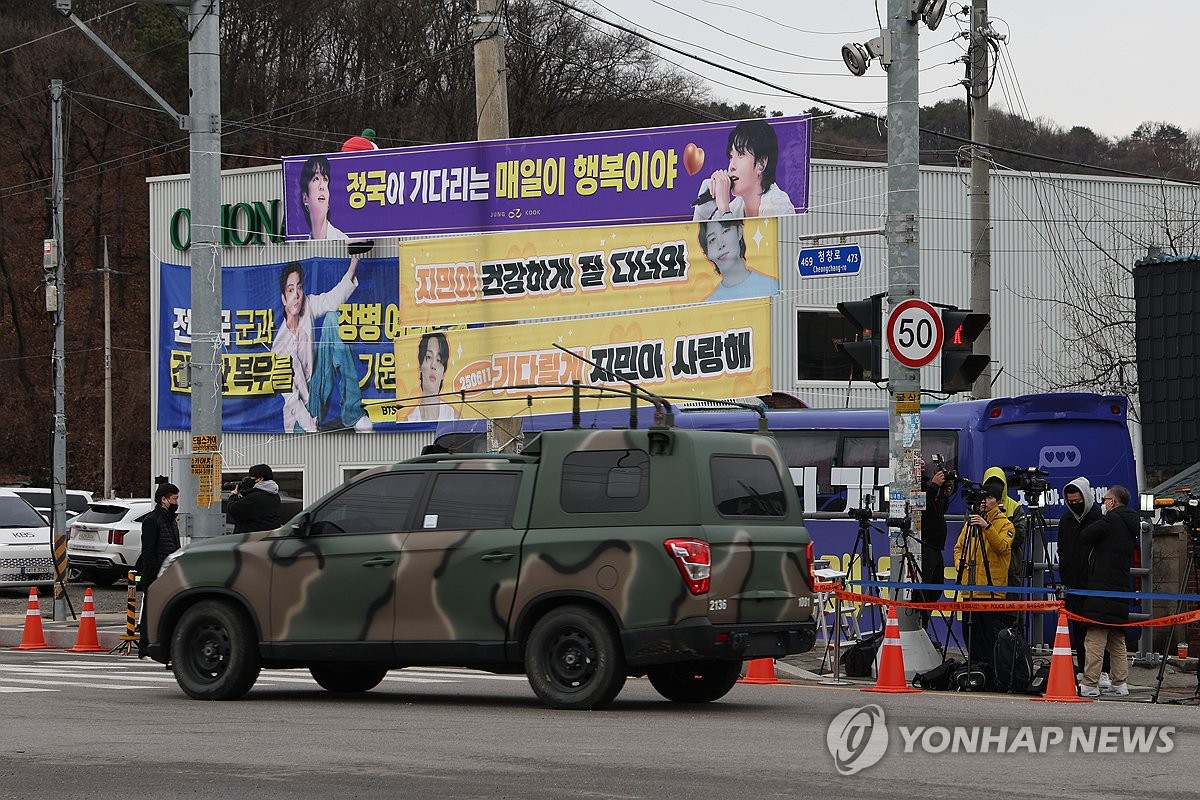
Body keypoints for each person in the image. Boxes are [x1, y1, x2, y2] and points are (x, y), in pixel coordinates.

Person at [272, 259, 373, 433]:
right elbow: (292, 399)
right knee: (300, 417)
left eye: (299, 287)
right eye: (290, 290)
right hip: (300, 418)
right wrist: (310, 427)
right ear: (283, 298)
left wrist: (353, 265)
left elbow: (333, 299)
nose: (296, 294)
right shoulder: (279, 347)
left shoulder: (307, 305)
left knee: (333, 318)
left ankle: (353, 413)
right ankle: (313, 427)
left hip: (318, 389)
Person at [1077, 485, 1138, 697]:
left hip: (1101, 588)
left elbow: (1086, 535)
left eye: (1105, 499)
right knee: (1117, 638)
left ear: (1113, 502)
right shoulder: (1131, 523)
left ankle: (1089, 683)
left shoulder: (1111, 520)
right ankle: (1120, 683)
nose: (1103, 502)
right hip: (1120, 588)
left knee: (1095, 638)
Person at [953, 482, 1015, 663]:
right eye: (983, 498)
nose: (985, 502)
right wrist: (960, 565)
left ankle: (992, 671)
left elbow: (1002, 547)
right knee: (971, 636)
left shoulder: (1005, 524)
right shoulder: (971, 523)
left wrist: (987, 526)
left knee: (990, 638)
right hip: (970, 589)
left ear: (997, 501)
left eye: (989, 498)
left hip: (991, 591)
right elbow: (959, 548)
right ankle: (974, 670)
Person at [692, 119, 794, 221]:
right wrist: (701, 214)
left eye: (741, 154)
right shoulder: (733, 208)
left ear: (761, 163)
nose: (731, 166)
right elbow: (696, 237)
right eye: (731, 157)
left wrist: (724, 209)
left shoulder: (779, 205)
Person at [1057, 477, 1104, 678]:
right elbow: (1062, 550)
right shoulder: (1066, 521)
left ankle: (1102, 670)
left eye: (1078, 501)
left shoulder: (1099, 519)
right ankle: (1083, 666)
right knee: (1077, 630)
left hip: (1093, 583)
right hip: (1072, 584)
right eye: (1071, 502)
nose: (1075, 505)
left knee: (1096, 631)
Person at [137, 482, 180, 657]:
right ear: (164, 499)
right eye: (174, 498)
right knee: (151, 610)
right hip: (156, 573)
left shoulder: (171, 520)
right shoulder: (152, 520)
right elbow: (148, 550)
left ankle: (162, 645)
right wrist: (156, 571)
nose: (177, 502)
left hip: (169, 572)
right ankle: (145, 647)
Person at [697, 219, 779, 302]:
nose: (720, 244)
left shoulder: (773, 287)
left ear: (739, 231)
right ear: (707, 254)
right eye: (712, 240)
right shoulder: (709, 303)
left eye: (725, 231)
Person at [917, 458, 952, 627]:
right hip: (925, 545)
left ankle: (924, 625)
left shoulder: (927, 484)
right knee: (924, 590)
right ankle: (921, 627)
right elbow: (920, 506)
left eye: (922, 461)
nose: (922, 464)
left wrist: (943, 492)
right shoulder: (917, 487)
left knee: (936, 589)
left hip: (936, 547)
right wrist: (935, 486)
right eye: (917, 461)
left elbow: (939, 510)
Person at [982, 466, 1029, 588]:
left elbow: (1020, 536)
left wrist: (1000, 531)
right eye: (990, 484)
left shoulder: (1014, 507)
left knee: (1012, 605)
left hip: (1009, 567)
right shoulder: (977, 507)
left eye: (998, 484)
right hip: (982, 567)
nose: (994, 487)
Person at [408, 332, 459, 422]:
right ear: (420, 365)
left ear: (444, 372)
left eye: (439, 360)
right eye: (429, 357)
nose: (433, 365)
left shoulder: (454, 417)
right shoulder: (409, 419)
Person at [299, 155, 348, 240]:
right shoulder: (301, 244)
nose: (322, 186)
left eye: (325, 179)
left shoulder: (342, 240)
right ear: (305, 197)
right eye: (316, 179)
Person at [224, 464, 282, 534]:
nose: (248, 479)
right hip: (268, 537)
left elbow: (234, 510)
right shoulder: (274, 495)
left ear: (260, 479)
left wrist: (234, 496)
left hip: (250, 539)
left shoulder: (254, 497)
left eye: (251, 477)